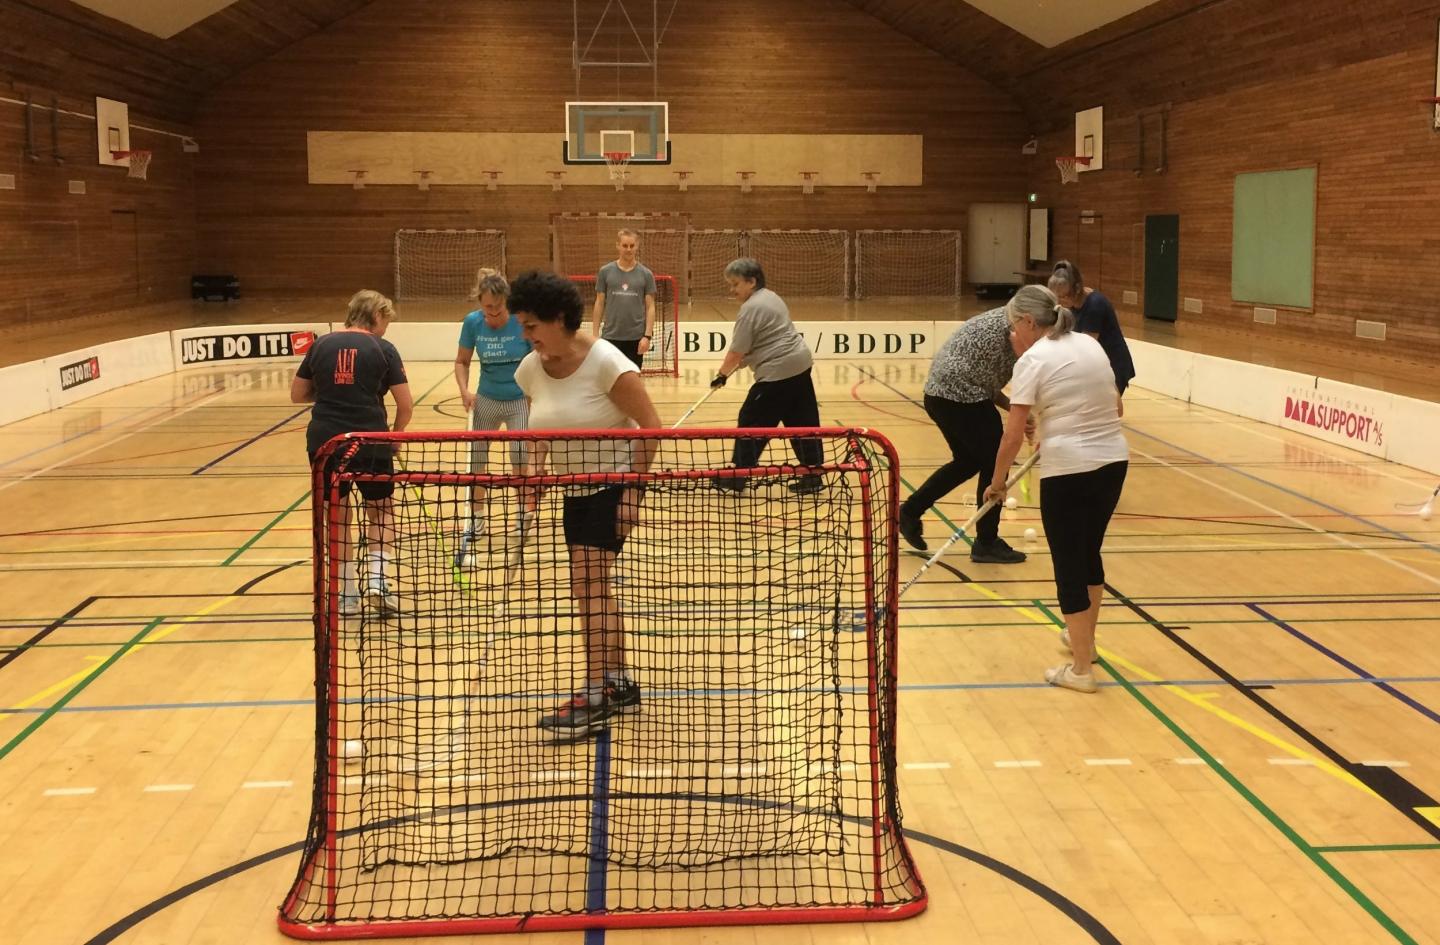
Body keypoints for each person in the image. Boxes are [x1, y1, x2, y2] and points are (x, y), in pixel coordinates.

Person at [511, 270, 662, 741]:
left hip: (612, 486)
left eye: (533, 325)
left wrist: (633, 494)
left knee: (589, 585)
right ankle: (616, 682)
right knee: (592, 588)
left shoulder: (607, 364)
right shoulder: (532, 367)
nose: (526, 334)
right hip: (574, 491)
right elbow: (538, 431)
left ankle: (595, 696)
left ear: (560, 320)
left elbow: (651, 428)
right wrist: (533, 471)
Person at [985, 285, 1129, 694]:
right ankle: (1087, 643)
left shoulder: (1033, 359)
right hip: (1113, 462)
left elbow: (1012, 435)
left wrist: (997, 484)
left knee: (1068, 564)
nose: (1014, 333)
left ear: (1029, 322)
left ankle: (1081, 671)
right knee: (1088, 554)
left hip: (1070, 470)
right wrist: (1061, 426)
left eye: (1015, 326)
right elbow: (1114, 405)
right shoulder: (1087, 343)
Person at [291, 290, 413, 616]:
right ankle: (376, 579)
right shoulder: (383, 348)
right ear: (375, 316)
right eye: (385, 321)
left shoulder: (320, 344)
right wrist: (395, 437)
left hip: (325, 441)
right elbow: (405, 404)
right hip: (370, 439)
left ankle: (346, 593)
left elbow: (297, 394)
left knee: (338, 512)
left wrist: (332, 393)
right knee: (382, 509)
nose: (386, 329)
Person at [898, 307, 1030, 564]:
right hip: (958, 397)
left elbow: (988, 387)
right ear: (1028, 320)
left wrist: (1020, 411)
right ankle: (986, 542)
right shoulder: (1003, 335)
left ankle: (910, 511)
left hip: (942, 396)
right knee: (994, 461)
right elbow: (987, 388)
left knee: (968, 461)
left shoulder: (1006, 323)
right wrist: (1021, 413)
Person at [709, 258, 823, 495]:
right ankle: (813, 474)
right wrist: (741, 364)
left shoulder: (750, 309)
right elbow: (760, 344)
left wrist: (721, 375)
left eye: (735, 284)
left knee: (751, 419)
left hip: (778, 373)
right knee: (802, 421)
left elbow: (736, 351)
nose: (732, 290)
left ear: (751, 282)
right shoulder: (771, 296)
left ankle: (739, 476)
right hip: (801, 364)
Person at [453, 268, 532, 565]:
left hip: (518, 400)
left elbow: (537, 358)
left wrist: (533, 395)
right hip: (485, 399)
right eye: (488, 308)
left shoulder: (519, 321)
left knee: (520, 456)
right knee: (476, 462)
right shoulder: (473, 323)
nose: (494, 314)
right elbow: (461, 361)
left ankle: (523, 514)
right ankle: (477, 518)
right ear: (480, 302)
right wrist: (464, 391)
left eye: (499, 308)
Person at [1048, 260, 1135, 411]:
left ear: (1077, 288)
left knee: (1106, 411)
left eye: (1064, 296)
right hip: (1096, 364)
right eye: (1057, 297)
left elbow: (1087, 347)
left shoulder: (1095, 305)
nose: (1060, 301)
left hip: (1112, 363)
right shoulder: (1071, 304)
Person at [590, 228, 657, 370]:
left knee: (633, 379)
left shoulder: (646, 274)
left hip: (636, 338)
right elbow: (599, 303)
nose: (628, 249)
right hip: (610, 336)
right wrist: (595, 334)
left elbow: (650, 306)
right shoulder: (605, 272)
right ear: (618, 246)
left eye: (632, 246)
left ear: (637, 246)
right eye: (625, 245)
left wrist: (647, 336)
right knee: (610, 381)